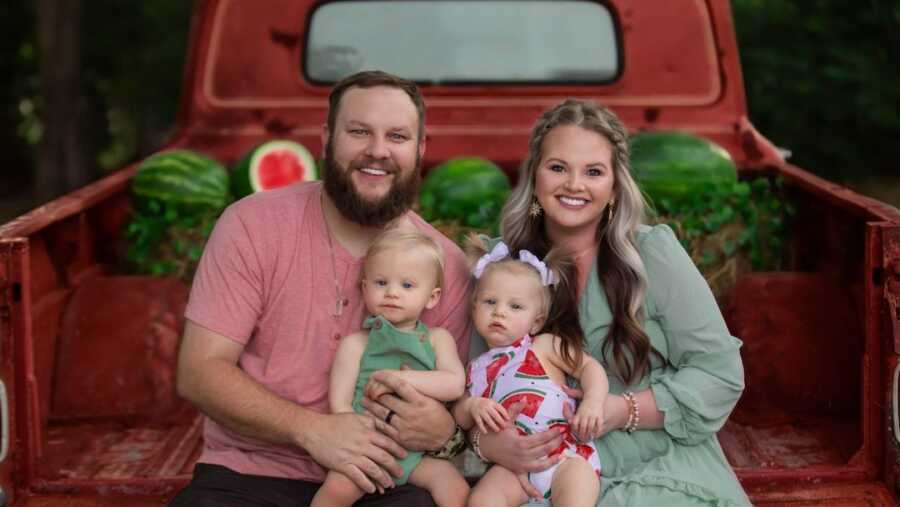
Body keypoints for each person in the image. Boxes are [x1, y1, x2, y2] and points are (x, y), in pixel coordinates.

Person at [170, 71, 473, 507]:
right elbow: (199, 372)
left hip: (387, 476)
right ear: (328, 138)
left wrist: (445, 434)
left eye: (398, 136)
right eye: (358, 131)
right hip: (251, 472)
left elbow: (465, 406)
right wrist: (313, 430)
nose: (378, 150)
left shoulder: (447, 266)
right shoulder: (252, 226)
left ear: (420, 149)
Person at [469, 99, 751, 506]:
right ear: (534, 176)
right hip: (540, 473)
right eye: (558, 167)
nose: (574, 184)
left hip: (656, 463)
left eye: (594, 172)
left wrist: (620, 410)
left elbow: (719, 373)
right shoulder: (502, 265)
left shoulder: (653, 255)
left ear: (615, 186)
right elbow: (475, 382)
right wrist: (490, 446)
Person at [312, 229, 469, 507]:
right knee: (334, 492)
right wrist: (360, 443)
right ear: (364, 288)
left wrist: (398, 377)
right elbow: (340, 403)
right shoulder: (357, 344)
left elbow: (454, 384)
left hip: (418, 455)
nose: (392, 293)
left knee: (455, 487)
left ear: (432, 298)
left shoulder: (436, 339)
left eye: (407, 286)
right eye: (381, 282)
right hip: (367, 450)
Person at [455, 239, 607, 506]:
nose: (499, 312)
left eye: (515, 307)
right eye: (490, 302)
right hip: (513, 468)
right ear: (474, 308)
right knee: (481, 500)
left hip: (565, 456)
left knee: (575, 496)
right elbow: (461, 415)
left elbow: (589, 367)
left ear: (536, 321)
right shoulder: (474, 370)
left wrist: (593, 402)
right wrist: (472, 406)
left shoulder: (542, 346)